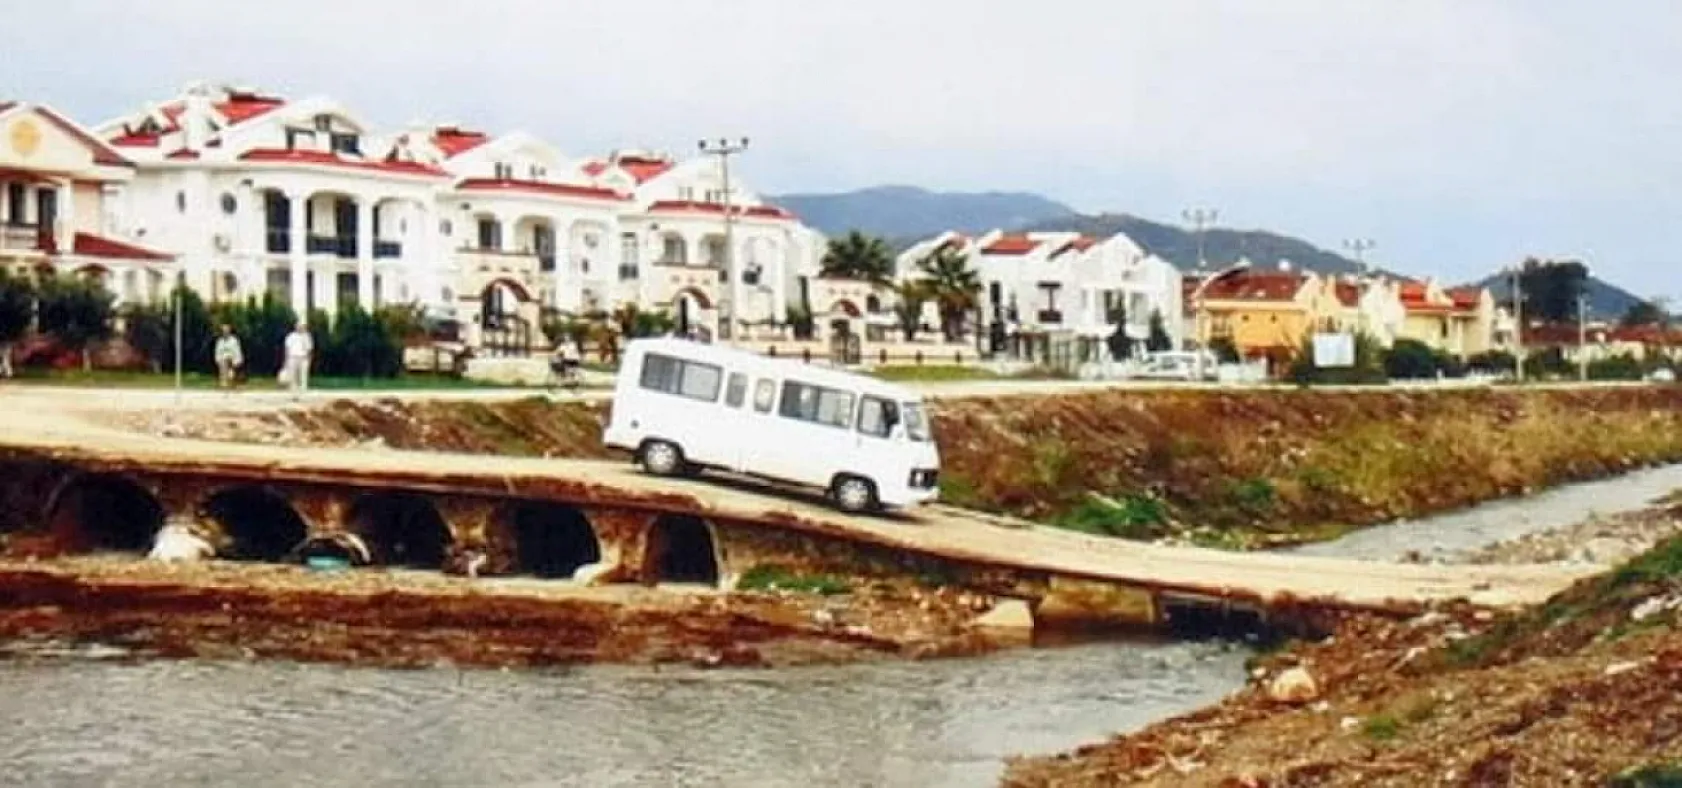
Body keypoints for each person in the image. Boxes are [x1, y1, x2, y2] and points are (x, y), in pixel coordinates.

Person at [281, 321, 313, 398]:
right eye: (299, 326)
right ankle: (294, 394)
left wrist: (309, 359)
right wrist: (286, 360)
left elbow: (309, 349)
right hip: (292, 358)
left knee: (303, 377)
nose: (300, 328)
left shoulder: (307, 336)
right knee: (293, 377)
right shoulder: (290, 336)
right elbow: (287, 349)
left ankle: (303, 394)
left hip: (303, 358)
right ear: (295, 327)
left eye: (302, 326)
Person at [213, 324, 244, 389]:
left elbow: (237, 352)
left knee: (228, 363)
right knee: (223, 362)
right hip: (223, 361)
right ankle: (224, 382)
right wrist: (218, 360)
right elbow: (217, 352)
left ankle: (230, 381)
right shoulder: (220, 341)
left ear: (229, 331)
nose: (225, 332)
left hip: (233, 360)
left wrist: (236, 361)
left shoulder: (234, 340)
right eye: (224, 331)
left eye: (226, 330)